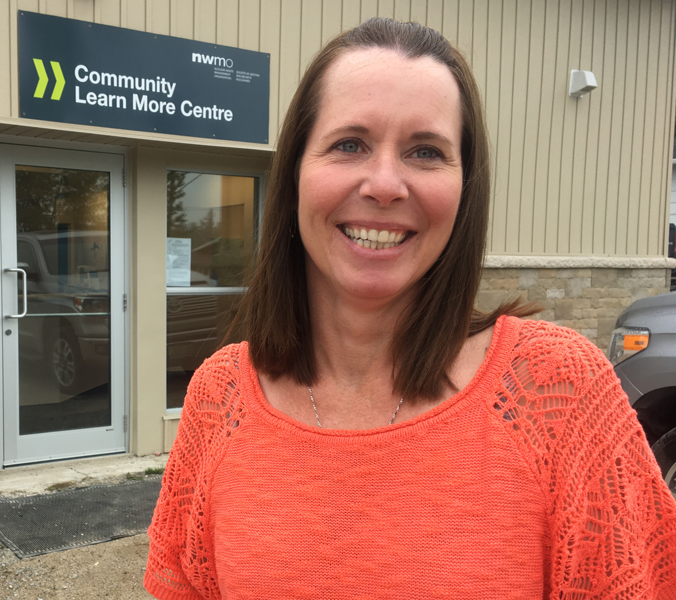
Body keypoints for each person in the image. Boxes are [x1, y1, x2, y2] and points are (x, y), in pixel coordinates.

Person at [144, 18, 676, 600]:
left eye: (426, 151)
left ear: (464, 187)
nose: (385, 184)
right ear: (295, 172)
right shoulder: (220, 397)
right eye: (349, 144)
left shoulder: (559, 392)